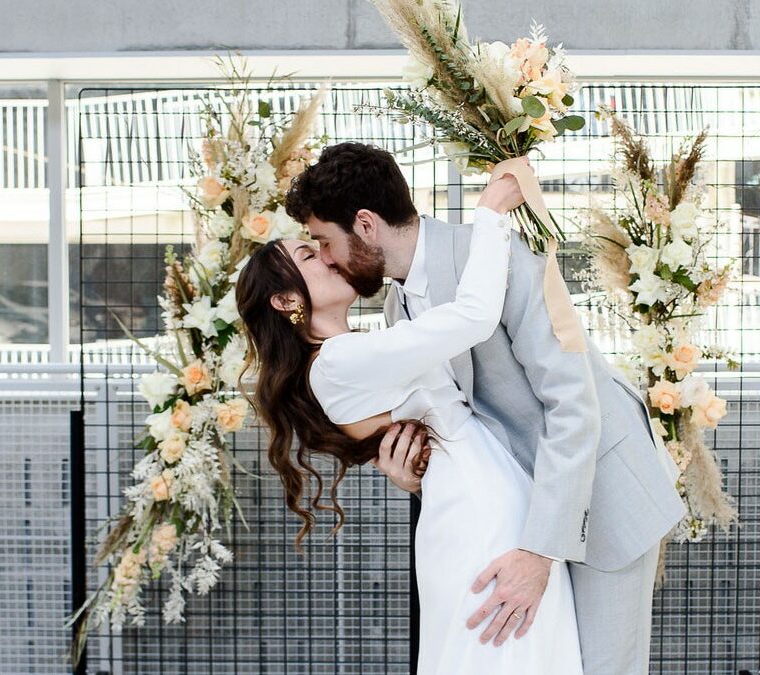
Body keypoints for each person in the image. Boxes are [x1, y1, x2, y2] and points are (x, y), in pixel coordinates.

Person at [282, 142, 687, 674]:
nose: (327, 257)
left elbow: (573, 404)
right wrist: (414, 470)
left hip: (598, 493)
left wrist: (540, 553)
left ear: (365, 224)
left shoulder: (496, 252)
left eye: (323, 242)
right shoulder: (396, 304)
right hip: (520, 509)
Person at [236, 167, 585, 674]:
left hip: (482, 498)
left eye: (319, 244)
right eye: (311, 254)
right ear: (287, 300)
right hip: (480, 513)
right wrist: (488, 216)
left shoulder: (361, 344)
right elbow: (472, 317)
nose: (328, 255)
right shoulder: (337, 364)